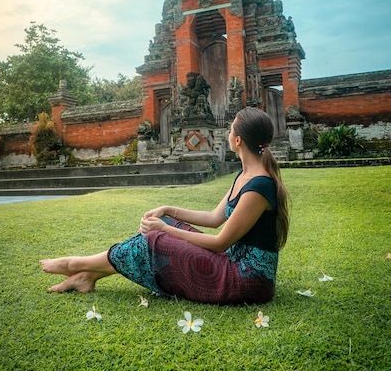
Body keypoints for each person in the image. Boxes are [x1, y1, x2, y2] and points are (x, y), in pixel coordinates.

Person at [40, 107, 290, 305]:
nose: (226, 133)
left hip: (246, 279)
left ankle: (77, 265)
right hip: (232, 264)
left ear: (237, 140)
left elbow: (219, 242)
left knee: (155, 238)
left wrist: (164, 229)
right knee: (165, 225)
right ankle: (88, 275)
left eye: (230, 129)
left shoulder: (259, 186)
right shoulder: (245, 176)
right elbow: (214, 217)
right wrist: (168, 210)